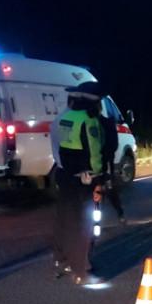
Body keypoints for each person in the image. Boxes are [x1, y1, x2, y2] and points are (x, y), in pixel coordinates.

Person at [51, 81, 108, 285]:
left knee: (64, 221)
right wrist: (99, 182)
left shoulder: (64, 118)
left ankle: (61, 260)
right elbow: (94, 156)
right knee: (84, 225)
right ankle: (81, 271)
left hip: (65, 174)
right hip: (85, 178)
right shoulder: (89, 121)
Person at [97, 103, 126, 224]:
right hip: (105, 163)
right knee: (108, 189)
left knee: (104, 189)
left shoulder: (95, 123)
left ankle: (118, 214)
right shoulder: (108, 122)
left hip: (101, 164)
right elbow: (114, 145)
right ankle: (120, 214)